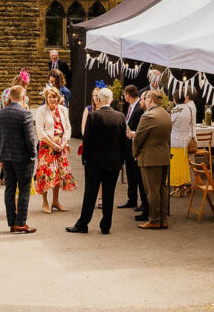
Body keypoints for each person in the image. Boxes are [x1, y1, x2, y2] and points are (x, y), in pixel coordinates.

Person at [66, 88, 127, 235]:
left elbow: (87, 140)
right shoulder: (120, 117)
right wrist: (121, 161)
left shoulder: (94, 116)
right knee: (109, 194)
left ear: (98, 100)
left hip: (95, 163)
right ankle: (106, 225)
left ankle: (83, 224)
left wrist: (85, 159)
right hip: (113, 162)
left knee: (90, 194)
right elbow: (123, 142)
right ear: (111, 100)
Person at [0, 84, 37, 233]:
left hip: (6, 157)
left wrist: (0, 156)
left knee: (9, 189)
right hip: (23, 158)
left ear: (10, 97)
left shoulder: (0, 114)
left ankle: (11, 222)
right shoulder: (25, 114)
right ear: (23, 97)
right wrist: (33, 155)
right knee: (24, 189)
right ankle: (21, 222)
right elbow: (30, 139)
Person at [132, 89, 172, 229]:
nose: (143, 101)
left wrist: (135, 153)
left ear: (150, 99)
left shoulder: (148, 116)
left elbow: (138, 138)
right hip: (164, 156)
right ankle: (163, 219)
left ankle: (154, 220)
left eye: (145, 98)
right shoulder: (166, 114)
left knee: (152, 191)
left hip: (150, 158)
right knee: (163, 189)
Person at [32, 86, 75, 213]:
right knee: (46, 174)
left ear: (58, 98)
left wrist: (64, 142)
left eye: (55, 97)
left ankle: (55, 201)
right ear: (46, 98)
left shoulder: (63, 109)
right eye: (50, 97)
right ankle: (44, 202)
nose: (53, 99)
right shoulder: (41, 110)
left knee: (58, 174)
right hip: (47, 146)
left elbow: (67, 127)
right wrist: (53, 144)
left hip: (61, 145)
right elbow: (40, 131)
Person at [119, 85, 144, 215]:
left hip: (135, 143)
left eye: (125, 95)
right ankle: (132, 198)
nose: (124, 97)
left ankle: (142, 202)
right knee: (130, 172)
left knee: (138, 174)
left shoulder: (140, 108)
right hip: (128, 144)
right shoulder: (130, 106)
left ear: (128, 95)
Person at [169, 87, 198, 194]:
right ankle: (184, 186)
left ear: (174, 99)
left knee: (175, 166)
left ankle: (176, 187)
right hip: (185, 141)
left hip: (175, 141)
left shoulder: (175, 110)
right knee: (183, 165)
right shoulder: (189, 108)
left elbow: (169, 125)